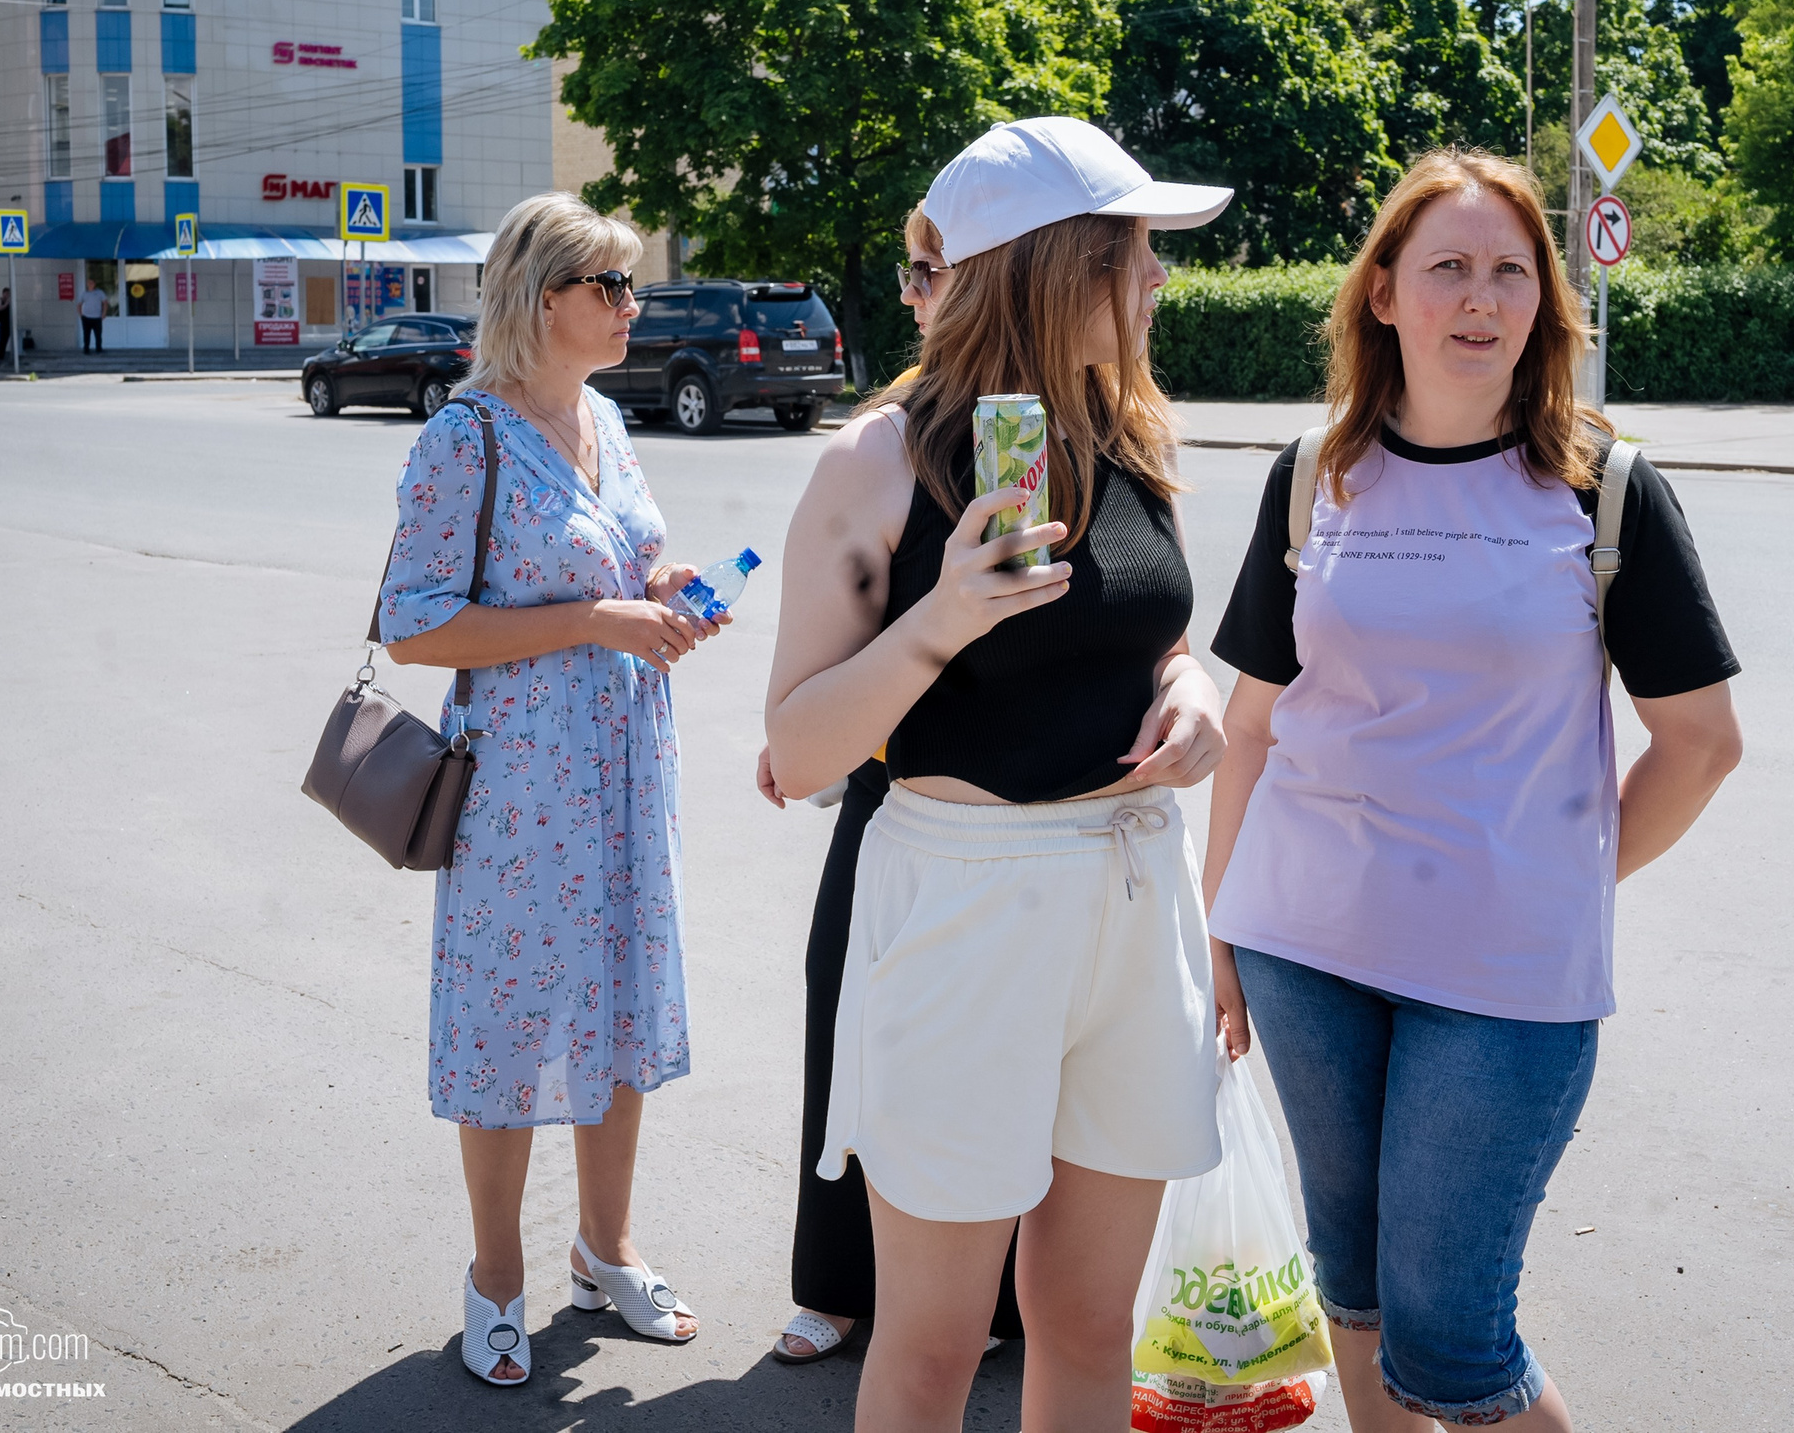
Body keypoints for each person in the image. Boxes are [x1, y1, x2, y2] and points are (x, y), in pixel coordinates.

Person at [1203, 149, 1745, 1433]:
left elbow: (1701, 743)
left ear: (1543, 304)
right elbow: (1251, 724)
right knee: (1354, 1287)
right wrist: (1222, 930)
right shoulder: (1311, 475)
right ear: (1382, 293)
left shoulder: (1603, 489)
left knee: (1451, 1339)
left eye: (1510, 269)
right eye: (1446, 265)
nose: (1480, 295)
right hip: (1302, 949)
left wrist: (1568, 871)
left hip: (1503, 977)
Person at [764, 116, 1233, 1433]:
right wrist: (940, 618)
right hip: (967, 905)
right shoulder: (879, 458)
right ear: (1051, 263)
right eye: (1134, 251)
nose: (1156, 279)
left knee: (1087, 1325)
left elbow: (1162, 634)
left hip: (1137, 902)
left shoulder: (1128, 428)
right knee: (933, 1341)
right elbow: (794, 750)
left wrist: (1195, 696)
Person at [376, 192, 721, 1389]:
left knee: (618, 1007)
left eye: (631, 286)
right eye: (611, 287)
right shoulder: (461, 438)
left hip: (625, 767)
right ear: (541, 299)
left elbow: (621, 559)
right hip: (520, 788)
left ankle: (604, 1251)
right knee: (511, 1025)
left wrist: (665, 586)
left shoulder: (609, 422)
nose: (633, 305)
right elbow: (412, 628)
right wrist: (597, 618)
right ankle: (494, 1276)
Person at [760, 205, 1029, 1368]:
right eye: (909, 276)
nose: (916, 295)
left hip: (1042, 819)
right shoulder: (888, 437)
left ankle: (1004, 1304)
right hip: (892, 799)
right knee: (853, 1039)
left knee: (1015, 1078)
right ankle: (834, 1284)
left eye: (934, 273)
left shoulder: (1073, 422)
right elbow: (810, 685)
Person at [78, 279, 107, 353]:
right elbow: (79, 304)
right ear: (87, 284)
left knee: (98, 334)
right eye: (89, 283)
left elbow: (105, 303)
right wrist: (81, 315)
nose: (91, 284)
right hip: (86, 317)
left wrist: (104, 313)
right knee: (86, 334)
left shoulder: (100, 293)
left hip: (97, 317)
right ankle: (86, 349)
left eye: (92, 283)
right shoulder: (84, 293)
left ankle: (98, 349)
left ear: (95, 284)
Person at [0, 286, 13, 363]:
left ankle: (2, 356)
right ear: (3, 293)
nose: (7, 295)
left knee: (5, 340)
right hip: (0, 324)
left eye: (9, 294)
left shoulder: (9, 302)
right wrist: (7, 303)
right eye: (6, 293)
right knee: (0, 340)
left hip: (7, 324)